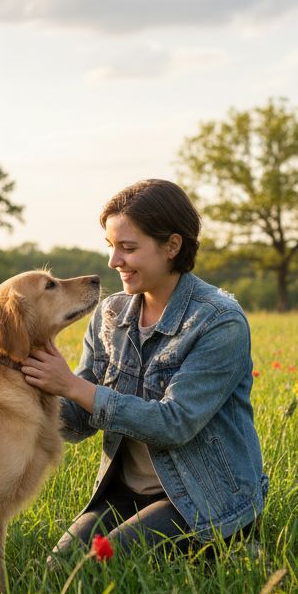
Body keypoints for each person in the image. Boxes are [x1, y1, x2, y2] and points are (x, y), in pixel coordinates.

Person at [21, 179, 267, 558]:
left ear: (172, 246)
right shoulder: (111, 313)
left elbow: (174, 424)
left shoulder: (220, 321)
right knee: (60, 566)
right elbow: (76, 424)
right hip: (126, 492)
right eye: (111, 246)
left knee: (99, 568)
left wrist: (71, 385)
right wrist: (25, 383)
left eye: (128, 248)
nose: (113, 261)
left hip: (203, 500)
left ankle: (239, 548)